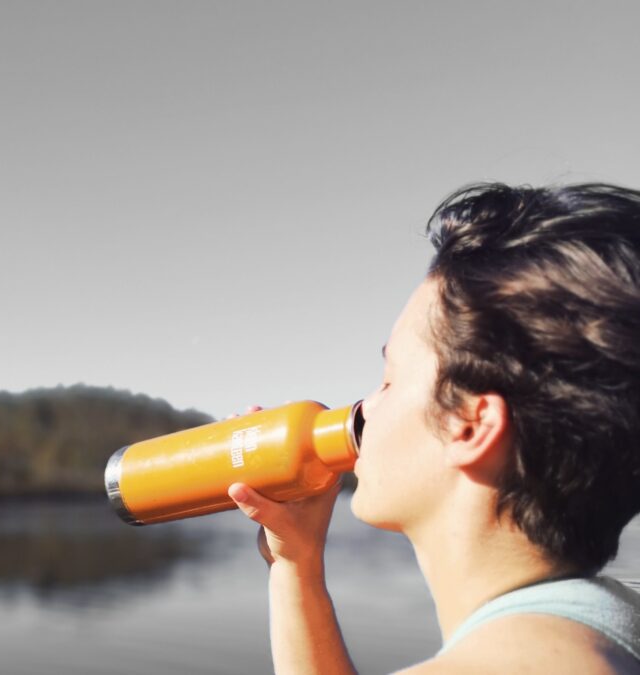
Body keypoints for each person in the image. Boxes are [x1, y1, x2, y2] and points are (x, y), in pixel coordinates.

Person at [226, 183, 640, 673]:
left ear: (470, 425)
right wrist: (296, 566)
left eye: (388, 380)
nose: (363, 410)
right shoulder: (613, 621)